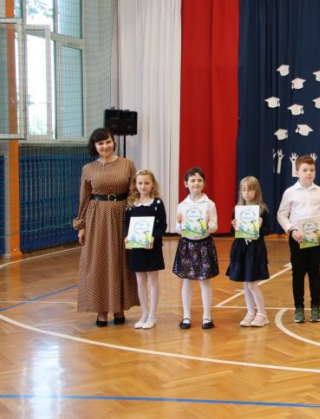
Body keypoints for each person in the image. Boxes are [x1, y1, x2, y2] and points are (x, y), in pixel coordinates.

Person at [73, 127, 138, 327]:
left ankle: (119, 309)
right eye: (100, 143)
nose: (105, 146)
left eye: (108, 141)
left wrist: (138, 221)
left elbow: (134, 193)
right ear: (95, 146)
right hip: (97, 217)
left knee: (120, 261)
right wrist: (81, 225)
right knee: (99, 262)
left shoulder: (127, 164)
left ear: (113, 142)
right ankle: (101, 311)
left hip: (121, 215)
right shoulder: (88, 169)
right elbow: (84, 198)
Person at [277, 155, 320, 324]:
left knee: (315, 271)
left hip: (315, 239)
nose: (309, 173)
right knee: (298, 273)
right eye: (305, 170)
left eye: (312, 170)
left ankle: (316, 307)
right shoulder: (290, 192)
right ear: (297, 172)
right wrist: (291, 230)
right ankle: (298, 308)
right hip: (297, 239)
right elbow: (281, 214)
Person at [173, 167, 219, 330]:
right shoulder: (182, 205)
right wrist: (178, 223)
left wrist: (207, 226)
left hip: (204, 245)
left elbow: (215, 227)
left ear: (204, 183)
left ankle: (207, 316)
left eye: (199, 180)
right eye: (192, 180)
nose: (196, 183)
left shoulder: (209, 204)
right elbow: (178, 230)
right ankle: (186, 316)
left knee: (204, 281)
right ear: (186, 183)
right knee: (187, 281)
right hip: (187, 245)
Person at [124, 170, 167, 329]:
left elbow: (162, 225)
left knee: (153, 279)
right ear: (135, 184)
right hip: (137, 248)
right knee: (140, 280)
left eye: (147, 183)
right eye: (140, 183)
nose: (143, 186)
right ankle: (144, 313)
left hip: (152, 247)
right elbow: (127, 225)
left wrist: (153, 238)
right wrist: (127, 236)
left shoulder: (157, 203)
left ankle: (152, 315)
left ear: (153, 184)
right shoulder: (130, 203)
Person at [227, 176, 271, 327]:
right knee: (246, 283)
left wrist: (259, 226)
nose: (246, 192)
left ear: (256, 191)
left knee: (252, 283)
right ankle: (250, 312)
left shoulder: (262, 209)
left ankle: (262, 313)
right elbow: (232, 233)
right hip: (241, 249)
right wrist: (234, 227)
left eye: (250, 189)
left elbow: (268, 230)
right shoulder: (237, 209)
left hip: (255, 249)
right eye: (244, 189)